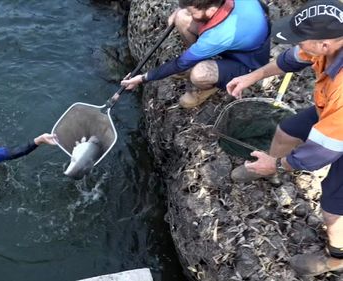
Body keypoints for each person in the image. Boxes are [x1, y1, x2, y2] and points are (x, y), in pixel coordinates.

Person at [226, 0, 343, 276]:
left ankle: (337, 257)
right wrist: (252, 76)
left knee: (333, 206)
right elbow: (289, 60)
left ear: (326, 44)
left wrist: (279, 165)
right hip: (328, 109)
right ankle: (269, 169)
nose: (298, 46)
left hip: (338, 121)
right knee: (286, 130)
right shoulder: (326, 45)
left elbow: (319, 153)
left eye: (302, 41)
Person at [120, 0, 270, 109]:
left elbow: (179, 64)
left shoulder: (219, 36)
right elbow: (187, 11)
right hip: (239, 40)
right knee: (180, 17)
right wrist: (181, 11)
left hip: (247, 62)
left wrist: (141, 78)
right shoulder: (217, 5)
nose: (191, 14)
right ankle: (196, 56)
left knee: (199, 74)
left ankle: (210, 85)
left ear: (210, 10)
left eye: (193, 12)